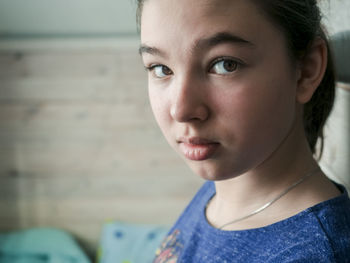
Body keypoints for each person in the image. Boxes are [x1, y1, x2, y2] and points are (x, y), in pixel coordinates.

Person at [137, 0, 350, 261]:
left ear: (306, 70)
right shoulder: (223, 187)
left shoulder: (314, 254)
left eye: (225, 64)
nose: (181, 110)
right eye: (161, 69)